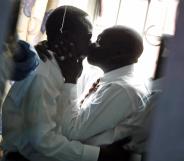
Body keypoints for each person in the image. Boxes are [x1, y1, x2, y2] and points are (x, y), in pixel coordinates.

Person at [2, 6, 131, 161]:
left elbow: (61, 123)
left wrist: (71, 80)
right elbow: (43, 142)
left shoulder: (68, 67)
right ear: (66, 38)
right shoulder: (43, 73)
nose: (91, 45)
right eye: (88, 37)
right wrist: (99, 155)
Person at [59, 26, 151, 153]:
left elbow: (72, 132)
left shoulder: (121, 89)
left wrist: (70, 79)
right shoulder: (107, 76)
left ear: (118, 54)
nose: (91, 45)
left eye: (99, 41)